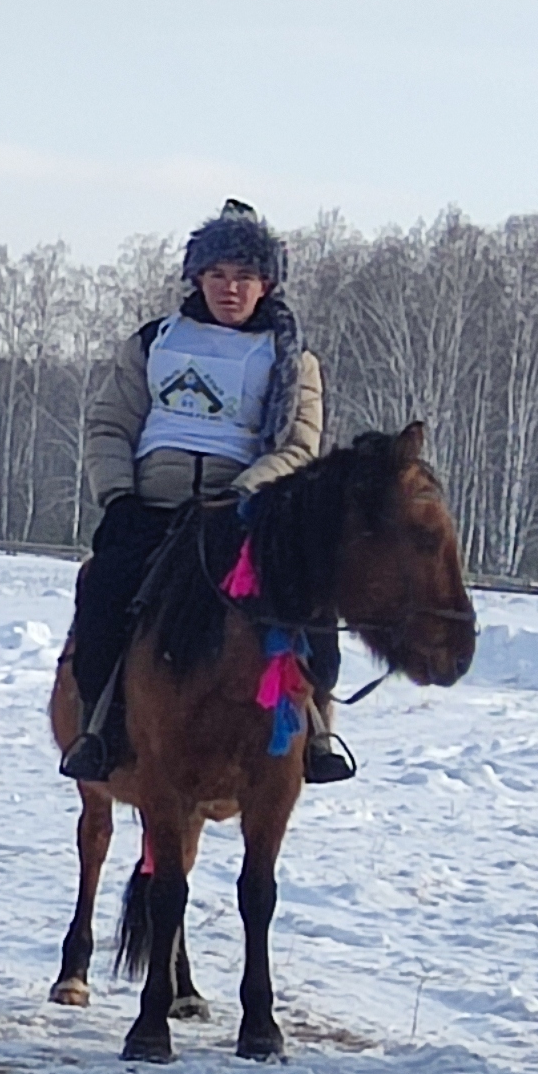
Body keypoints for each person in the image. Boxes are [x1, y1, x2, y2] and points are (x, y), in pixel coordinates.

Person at [58, 201, 349, 786]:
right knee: (103, 591)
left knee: (307, 606)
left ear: (266, 284)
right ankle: (97, 730)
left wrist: (245, 494)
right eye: (217, 275)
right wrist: (118, 493)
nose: (230, 289)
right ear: (197, 280)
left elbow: (298, 447)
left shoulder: (295, 364)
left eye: (244, 276)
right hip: (151, 507)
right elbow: (110, 425)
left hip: (243, 514)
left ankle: (314, 733)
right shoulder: (152, 344)